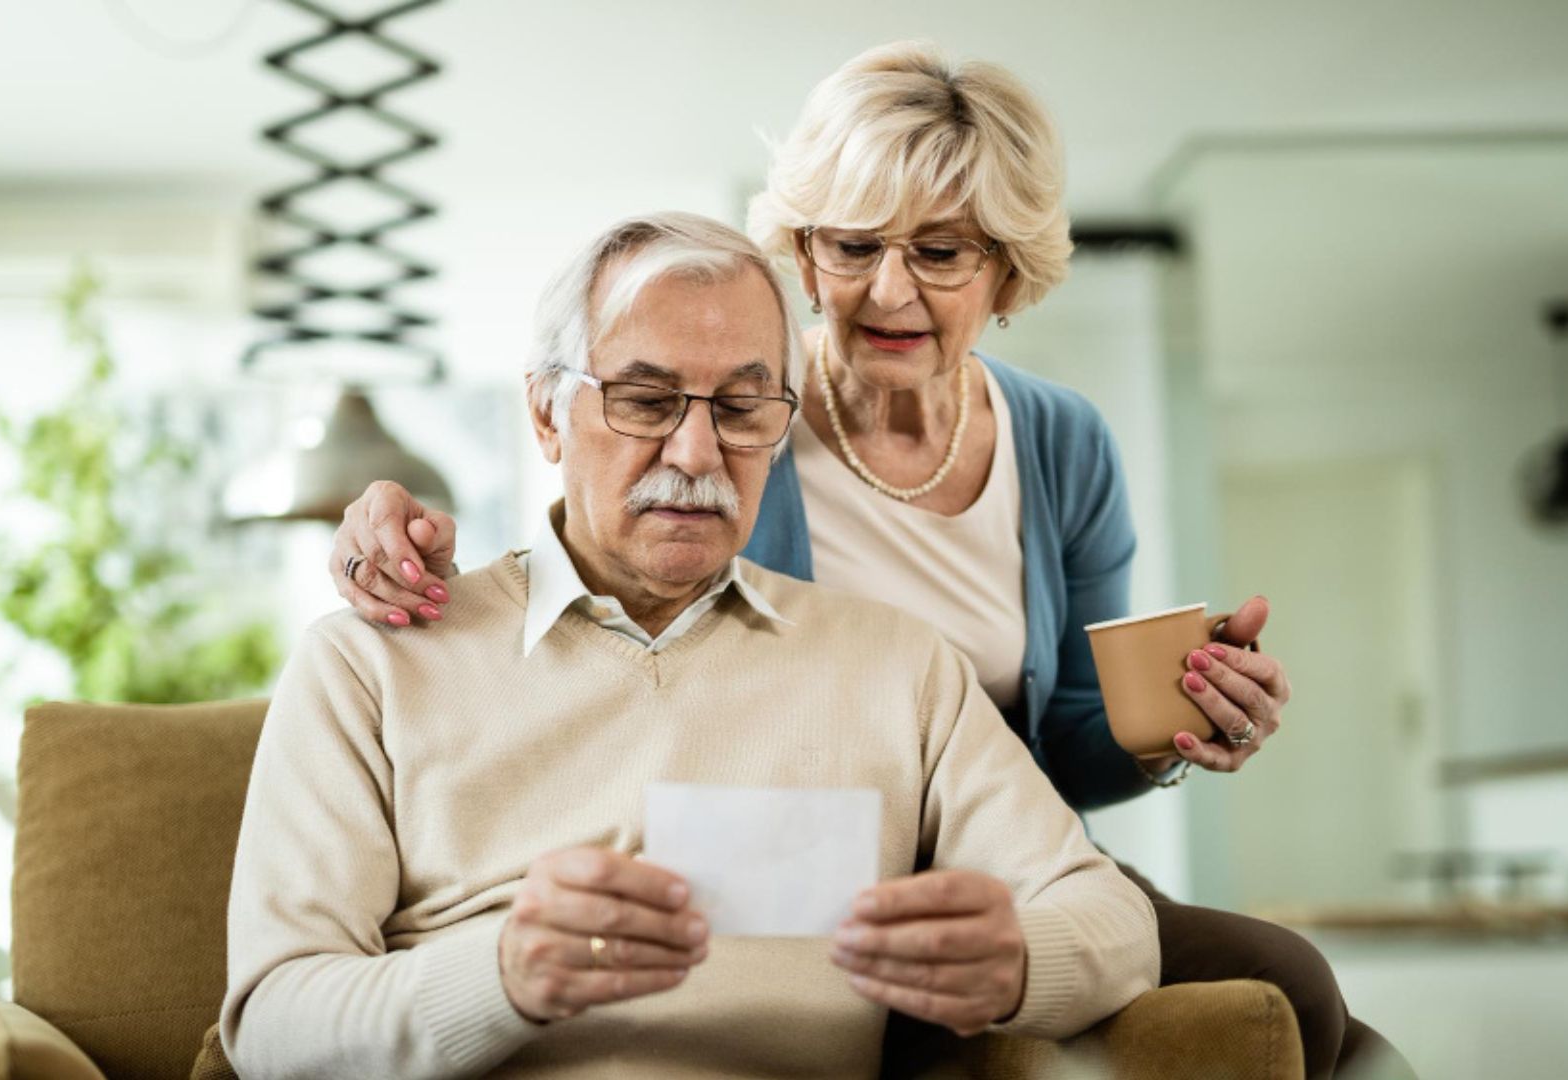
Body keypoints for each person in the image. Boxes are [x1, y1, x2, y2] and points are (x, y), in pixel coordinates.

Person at [322, 42, 1410, 1079]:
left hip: (985, 865)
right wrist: (389, 527)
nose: (890, 293)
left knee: (1305, 997)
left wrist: (1176, 726)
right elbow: (585, 567)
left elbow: (1068, 749)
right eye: (851, 247)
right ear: (803, 252)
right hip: (788, 864)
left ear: (1006, 270)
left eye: (939, 252)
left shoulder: (1062, 444)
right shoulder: (736, 416)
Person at [221, 213, 1159, 1080]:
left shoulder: (898, 666)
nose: (698, 454)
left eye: (744, 409)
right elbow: (273, 1023)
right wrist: (501, 977)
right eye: (645, 399)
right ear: (547, 413)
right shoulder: (372, 662)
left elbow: (1116, 924)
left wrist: (1021, 963)